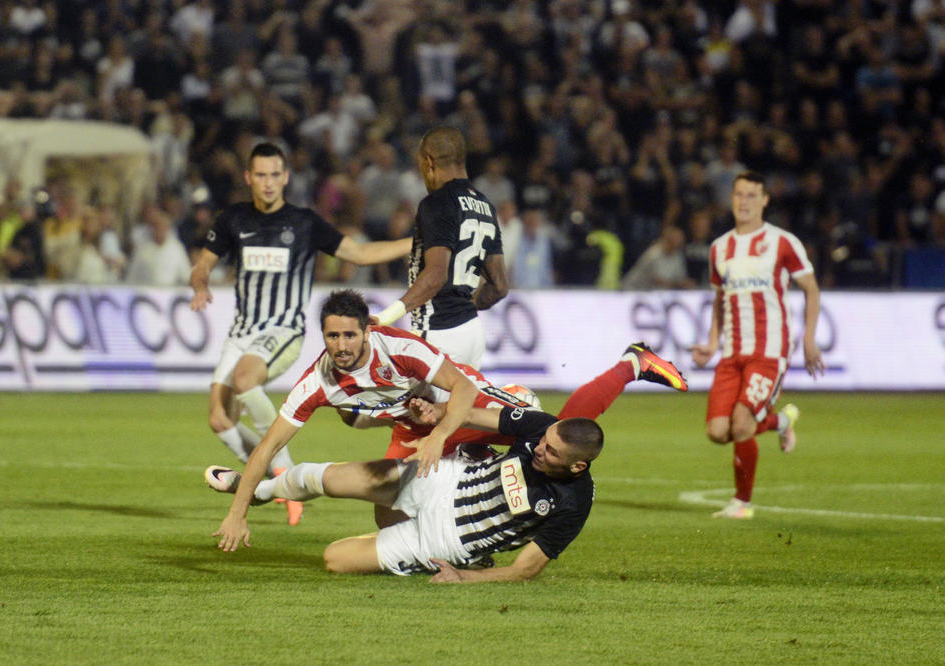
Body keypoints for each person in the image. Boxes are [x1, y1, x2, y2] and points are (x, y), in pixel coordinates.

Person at [206, 289, 690, 549]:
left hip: (466, 408)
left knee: (552, 429)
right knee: (386, 510)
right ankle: (256, 491)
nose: (341, 346)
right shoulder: (319, 383)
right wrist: (236, 513)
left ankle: (632, 362)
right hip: (415, 426)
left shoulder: (400, 347)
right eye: (332, 337)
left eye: (349, 336)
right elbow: (268, 445)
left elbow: (463, 389)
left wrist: (440, 432)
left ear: (366, 331)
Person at [189, 144, 412, 525]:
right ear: (248, 178)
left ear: (286, 177)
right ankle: (267, 479)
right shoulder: (233, 220)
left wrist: (417, 244)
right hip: (242, 332)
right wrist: (200, 284)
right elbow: (204, 263)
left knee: (245, 378)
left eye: (275, 174)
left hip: (283, 330)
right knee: (219, 419)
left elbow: (358, 254)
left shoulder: (305, 223)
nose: (268, 182)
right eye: (260, 175)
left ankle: (281, 474)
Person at [208, 407, 603, 582]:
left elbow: (526, 569)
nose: (539, 448)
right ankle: (257, 491)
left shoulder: (575, 502)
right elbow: (469, 413)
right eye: (545, 441)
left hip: (445, 540)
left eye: (551, 452)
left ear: (576, 467)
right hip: (440, 479)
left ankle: (462, 561)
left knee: (335, 560)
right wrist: (436, 414)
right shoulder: (541, 429)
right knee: (319, 477)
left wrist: (462, 578)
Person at [689, 172, 825, 520]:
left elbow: (811, 288)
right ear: (731, 198)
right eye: (739, 194)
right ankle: (780, 422)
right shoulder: (720, 248)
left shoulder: (782, 242)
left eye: (752, 195)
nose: (744, 201)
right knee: (718, 432)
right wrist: (711, 342)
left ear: (765, 200)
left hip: (769, 351)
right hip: (732, 353)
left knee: (741, 421)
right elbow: (720, 300)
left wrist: (809, 339)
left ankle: (743, 503)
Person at [370, 126, 508, 371]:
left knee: (381, 403)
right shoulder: (485, 205)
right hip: (472, 334)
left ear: (429, 161)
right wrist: (463, 308)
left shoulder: (436, 204)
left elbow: (436, 275)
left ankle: (521, 408)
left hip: (438, 333)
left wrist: (384, 317)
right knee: (455, 409)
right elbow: (499, 286)